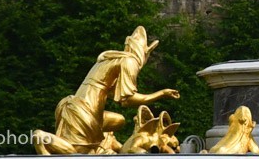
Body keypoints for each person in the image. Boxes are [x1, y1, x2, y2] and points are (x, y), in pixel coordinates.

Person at [32, 26, 180, 155]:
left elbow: (111, 92)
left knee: (119, 121)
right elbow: (127, 100)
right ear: (143, 54)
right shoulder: (129, 61)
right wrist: (161, 94)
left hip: (82, 106)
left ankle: (102, 144)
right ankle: (41, 138)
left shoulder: (111, 58)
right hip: (84, 112)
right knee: (77, 152)